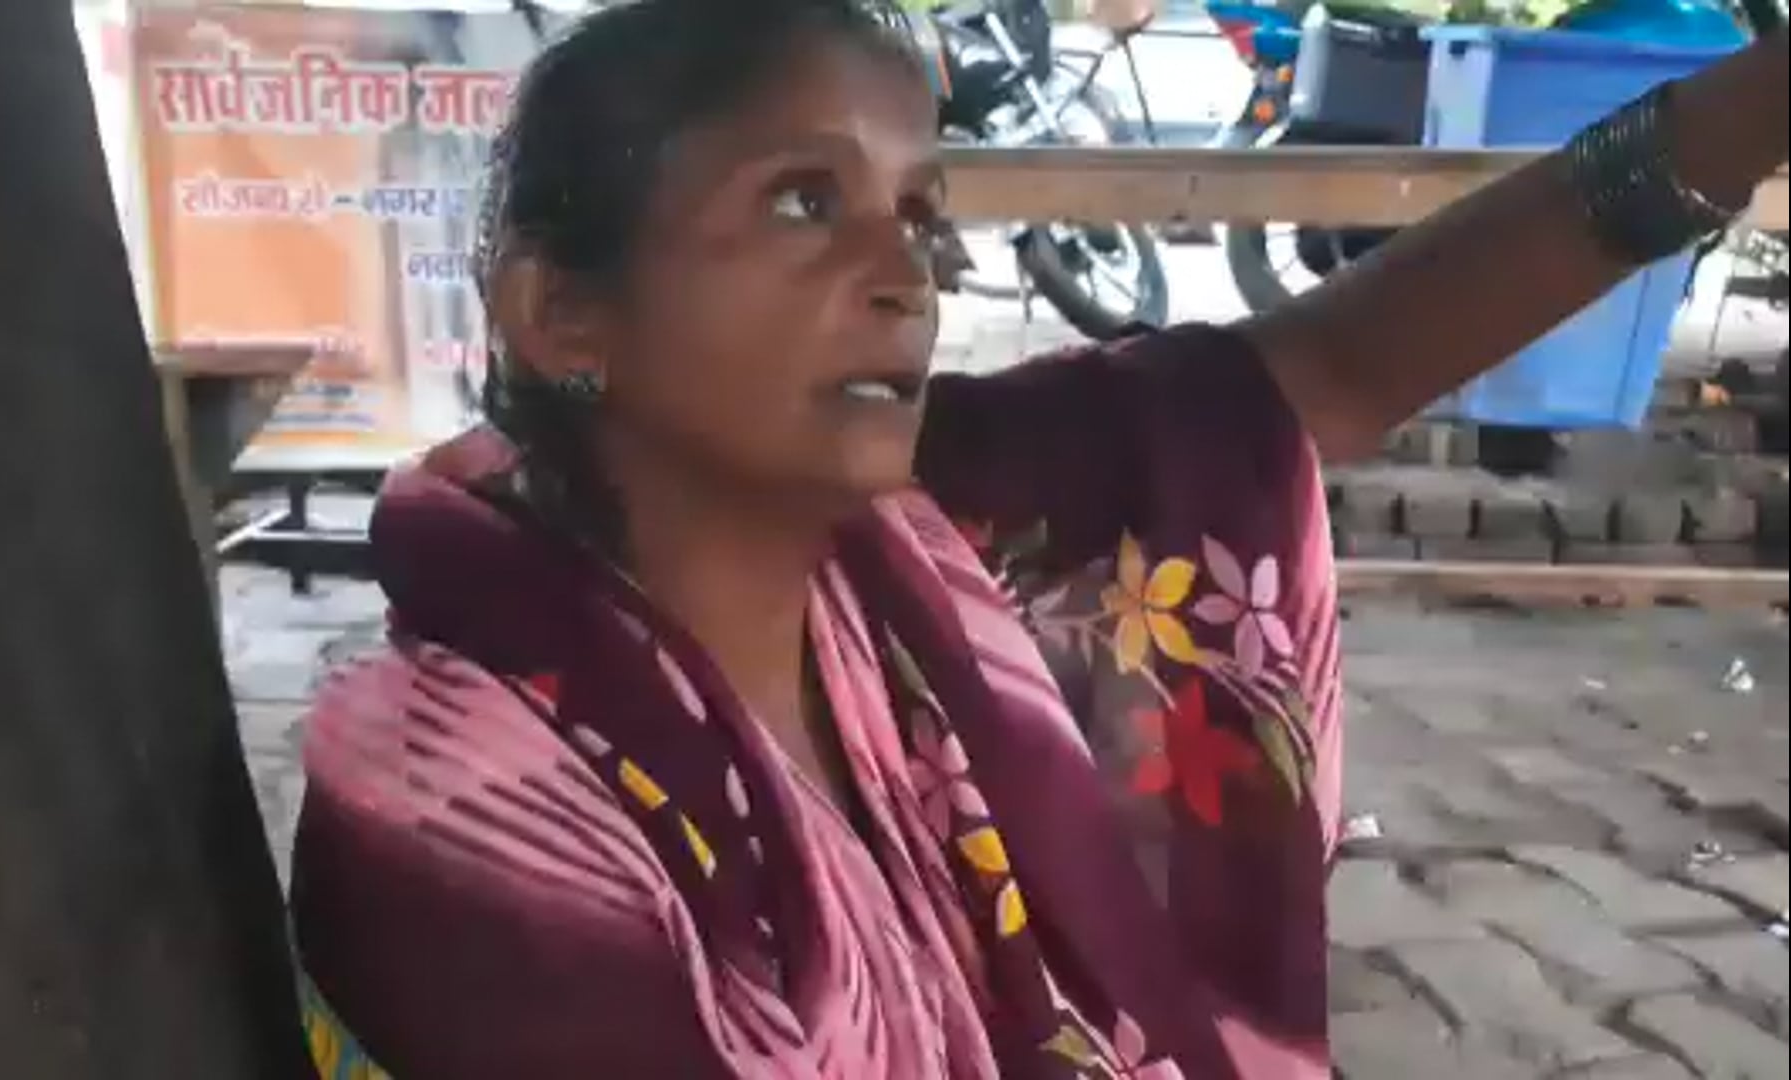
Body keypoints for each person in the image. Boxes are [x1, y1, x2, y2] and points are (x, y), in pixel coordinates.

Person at [288, 0, 1787, 1074]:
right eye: (805, 203)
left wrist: (1753, 108)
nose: (907, 273)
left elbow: (1325, 370)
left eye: (919, 213)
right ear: (561, 313)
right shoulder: (460, 809)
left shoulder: (918, 530)